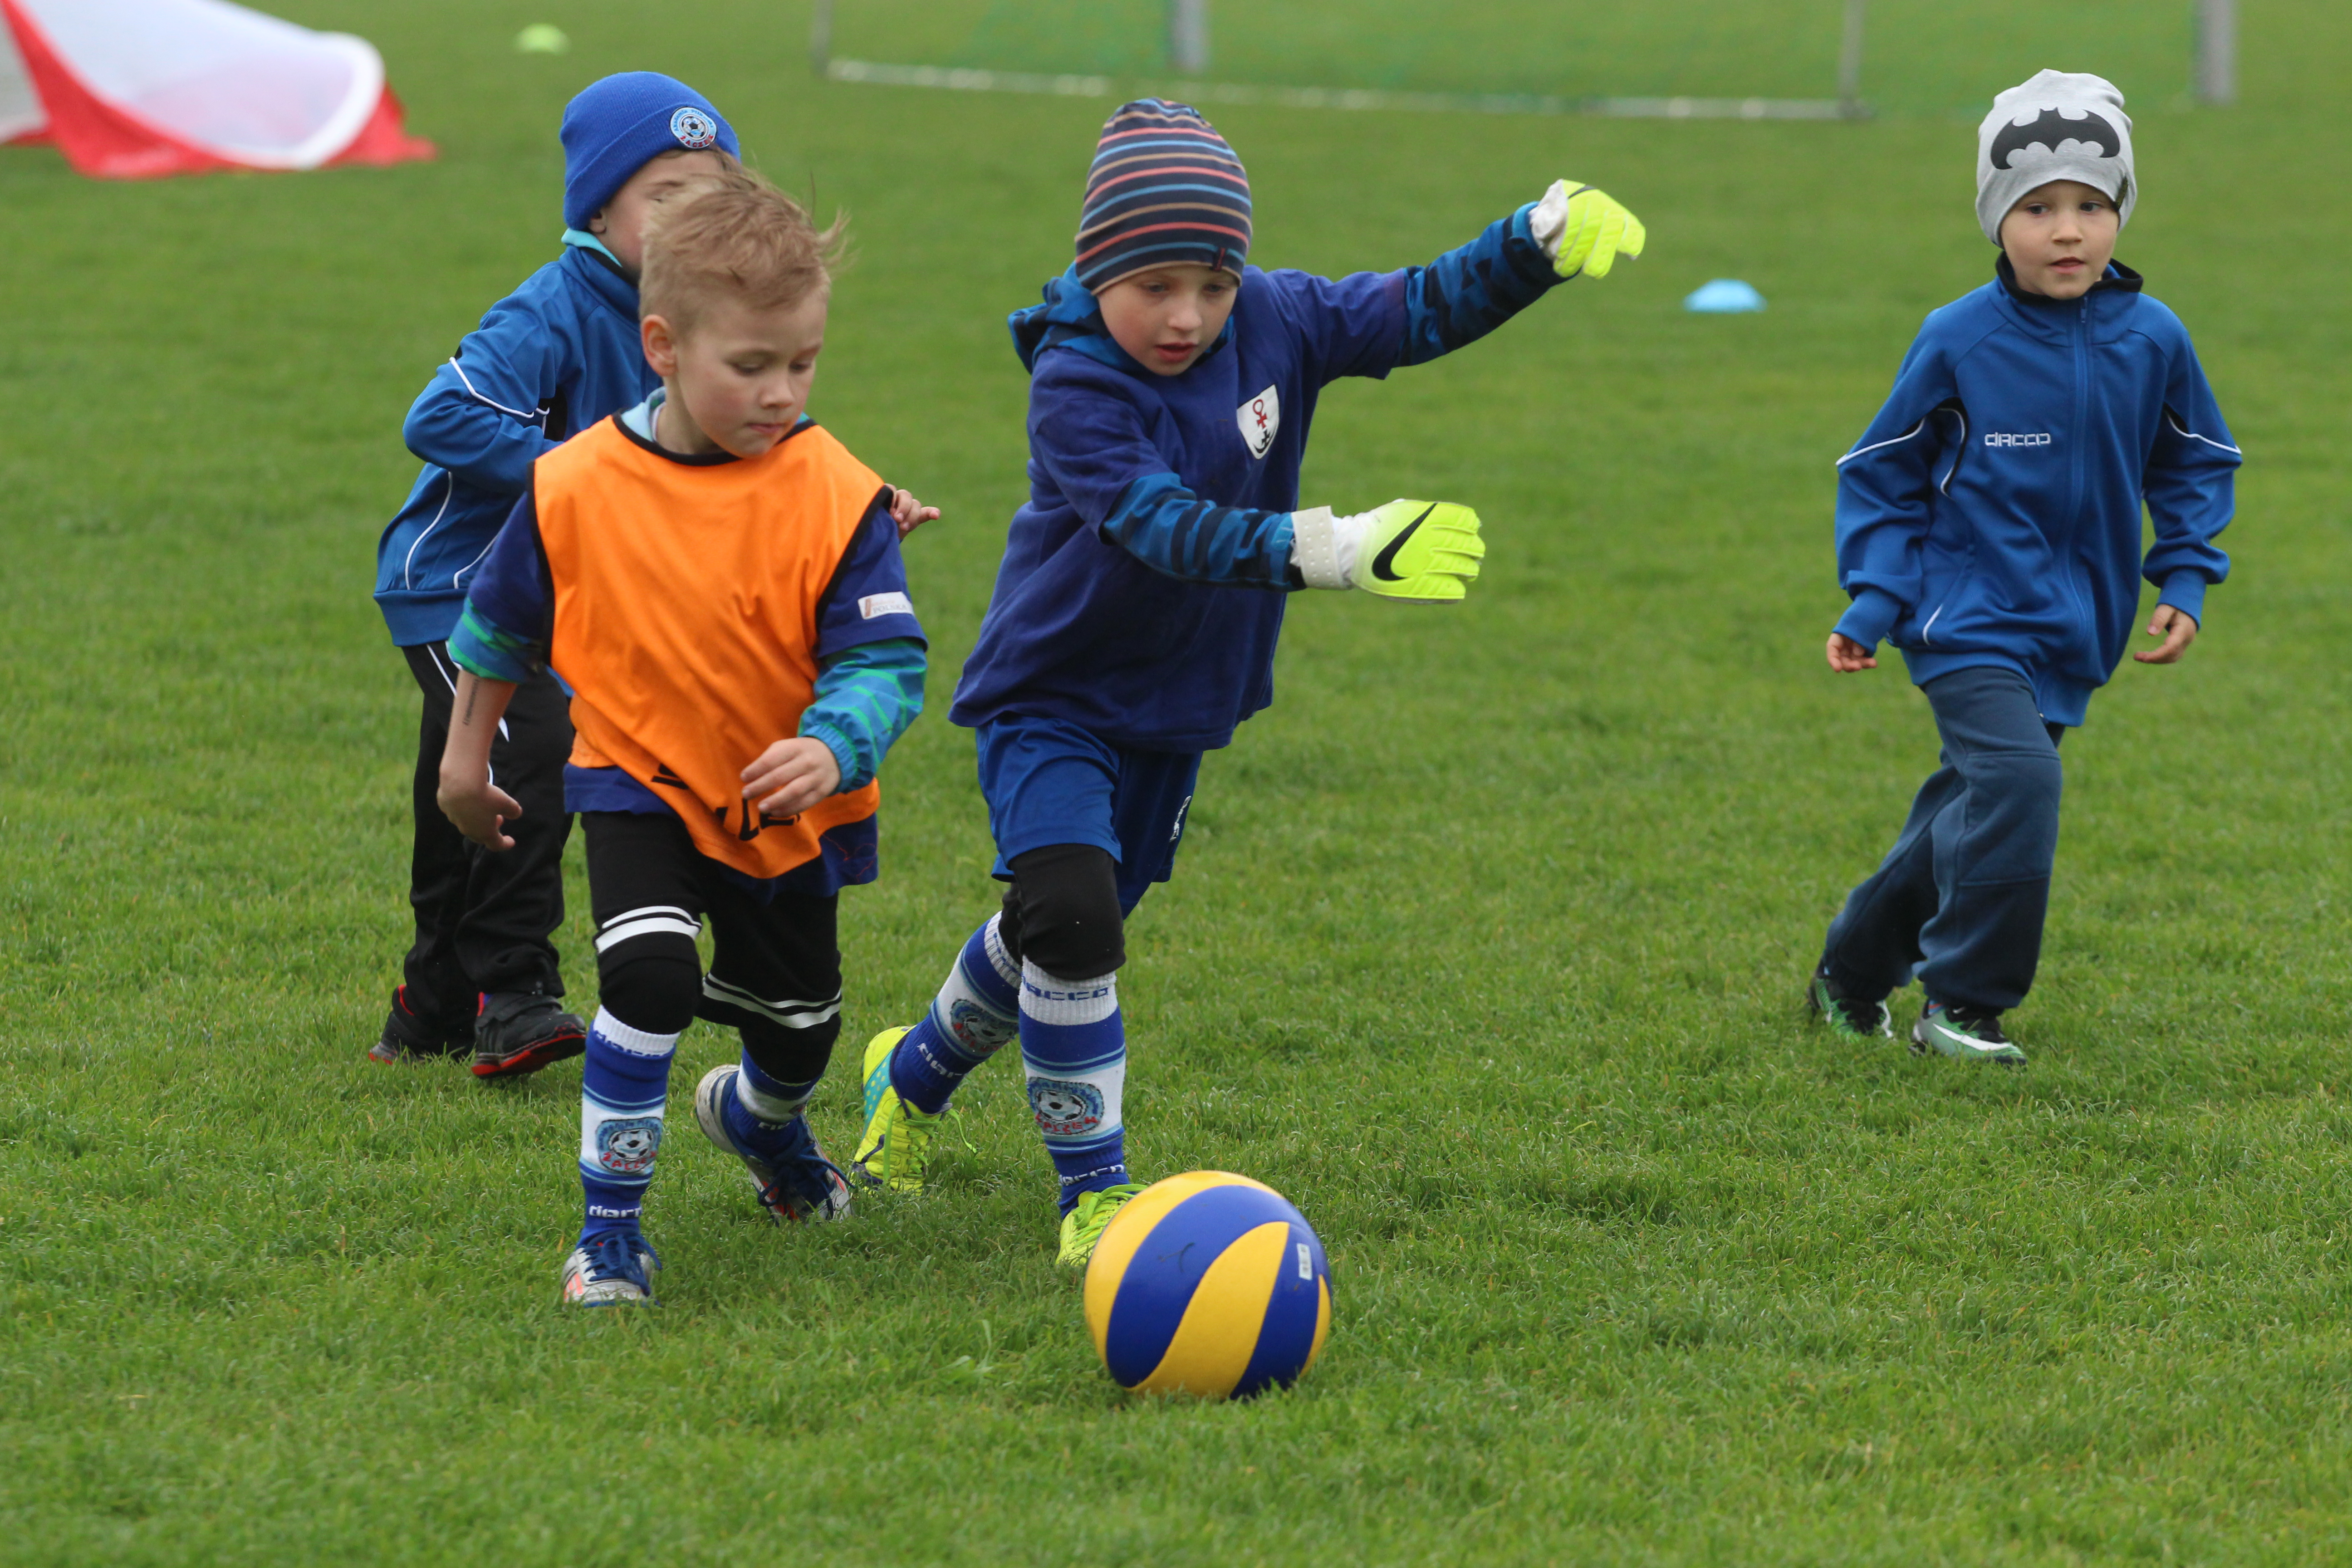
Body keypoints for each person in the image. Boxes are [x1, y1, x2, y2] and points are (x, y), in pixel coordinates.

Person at [847, 98, 1648, 1265]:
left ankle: (909, 1075)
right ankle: (1096, 1195)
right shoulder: (1076, 383)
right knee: (1076, 922)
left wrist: (1530, 240)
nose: (1188, 316)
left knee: (1063, 928)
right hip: (1054, 695)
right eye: (1157, 285)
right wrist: (1327, 549)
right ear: (1096, 264)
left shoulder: (1275, 316)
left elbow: (1413, 306)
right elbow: (1159, 526)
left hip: (1181, 705)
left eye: (1214, 284)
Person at [435, 170, 935, 1306]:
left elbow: (886, 662)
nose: (780, 393)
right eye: (749, 367)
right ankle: (608, 1237)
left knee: (801, 1029)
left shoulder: (839, 491)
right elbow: (500, 624)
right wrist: (467, 759)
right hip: (636, 777)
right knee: (648, 980)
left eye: (801, 364)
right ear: (661, 344)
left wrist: (834, 745)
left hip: (784, 805)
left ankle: (762, 1127)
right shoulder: (572, 486)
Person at [1809, 71, 2239, 1066]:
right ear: (1995, 219)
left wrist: (2182, 579)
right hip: (1963, 617)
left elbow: (2193, 463)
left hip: (2078, 625)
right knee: (2021, 783)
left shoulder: (2154, 337)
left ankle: (1851, 973)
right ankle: (1963, 1007)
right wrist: (1875, 597)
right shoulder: (1959, 338)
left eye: (2093, 205)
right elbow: (1882, 472)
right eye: (2037, 207)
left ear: (2121, 213)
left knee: (1973, 804)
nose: (2068, 231)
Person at [368, 72, 746, 1078]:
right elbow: (435, 419)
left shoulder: (703, 324)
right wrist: (581, 467)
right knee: (531, 750)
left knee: (458, 799)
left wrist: (856, 503)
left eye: (712, 194)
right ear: (599, 209)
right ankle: (517, 993)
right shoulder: (556, 305)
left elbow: (751, 441)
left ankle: (431, 1004)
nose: (690, 216)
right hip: (456, 587)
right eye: (664, 194)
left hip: (563, 602)